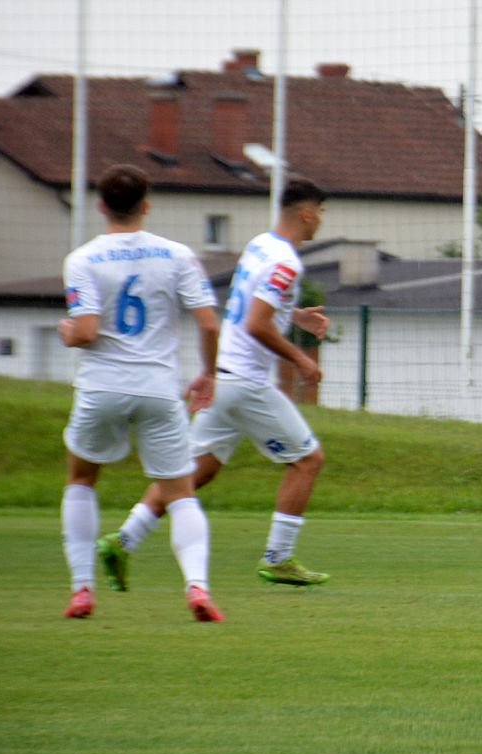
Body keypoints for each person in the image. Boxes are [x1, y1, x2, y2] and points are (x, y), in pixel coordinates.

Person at [97, 178, 332, 589]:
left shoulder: (261, 245)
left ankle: (123, 540)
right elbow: (257, 323)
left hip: (223, 378)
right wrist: (301, 359)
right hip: (245, 382)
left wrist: (295, 316)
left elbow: (252, 305)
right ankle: (278, 558)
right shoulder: (287, 263)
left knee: (194, 474)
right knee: (308, 460)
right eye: (322, 213)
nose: (322, 221)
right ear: (307, 214)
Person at [59, 164, 223, 622]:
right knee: (180, 493)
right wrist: (209, 373)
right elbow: (209, 324)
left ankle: (82, 590)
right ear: (146, 206)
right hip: (158, 388)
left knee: (82, 480)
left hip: (102, 387)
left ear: (101, 206)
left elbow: (85, 331)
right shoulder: (177, 255)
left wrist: (67, 333)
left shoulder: (83, 259)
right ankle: (197, 587)